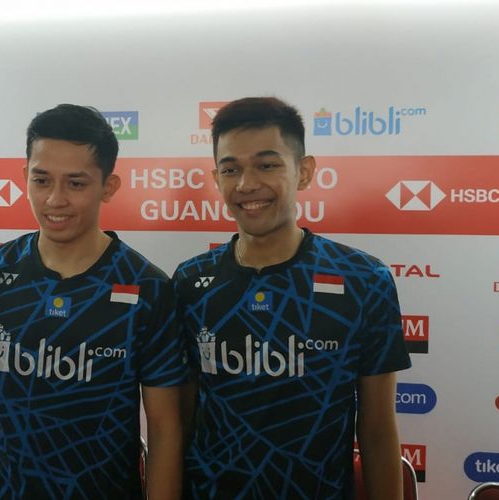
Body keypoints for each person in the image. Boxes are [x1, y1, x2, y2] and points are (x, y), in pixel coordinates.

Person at [174, 97, 412, 499]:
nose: (246, 184)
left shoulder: (363, 279)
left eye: (267, 165)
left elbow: (376, 426)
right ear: (216, 178)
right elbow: (180, 419)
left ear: (304, 172)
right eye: (231, 169)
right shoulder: (190, 280)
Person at [0, 104, 187, 499]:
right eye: (42, 180)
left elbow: (163, 428)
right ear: (25, 177)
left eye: (76, 183)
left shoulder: (148, 288)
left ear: (108, 186)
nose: (55, 199)